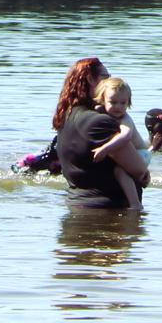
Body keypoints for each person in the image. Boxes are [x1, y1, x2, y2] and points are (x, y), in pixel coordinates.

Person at [51, 56, 144, 209]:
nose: (109, 81)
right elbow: (139, 170)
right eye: (105, 77)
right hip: (106, 211)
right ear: (91, 79)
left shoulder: (67, 115)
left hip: (77, 206)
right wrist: (144, 176)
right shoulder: (98, 122)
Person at [87, 77, 151, 208]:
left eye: (123, 103)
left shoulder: (125, 118)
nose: (118, 107)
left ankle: (135, 204)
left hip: (141, 154)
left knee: (119, 171)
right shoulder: (101, 111)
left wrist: (105, 149)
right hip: (128, 152)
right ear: (103, 100)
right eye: (113, 102)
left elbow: (125, 136)